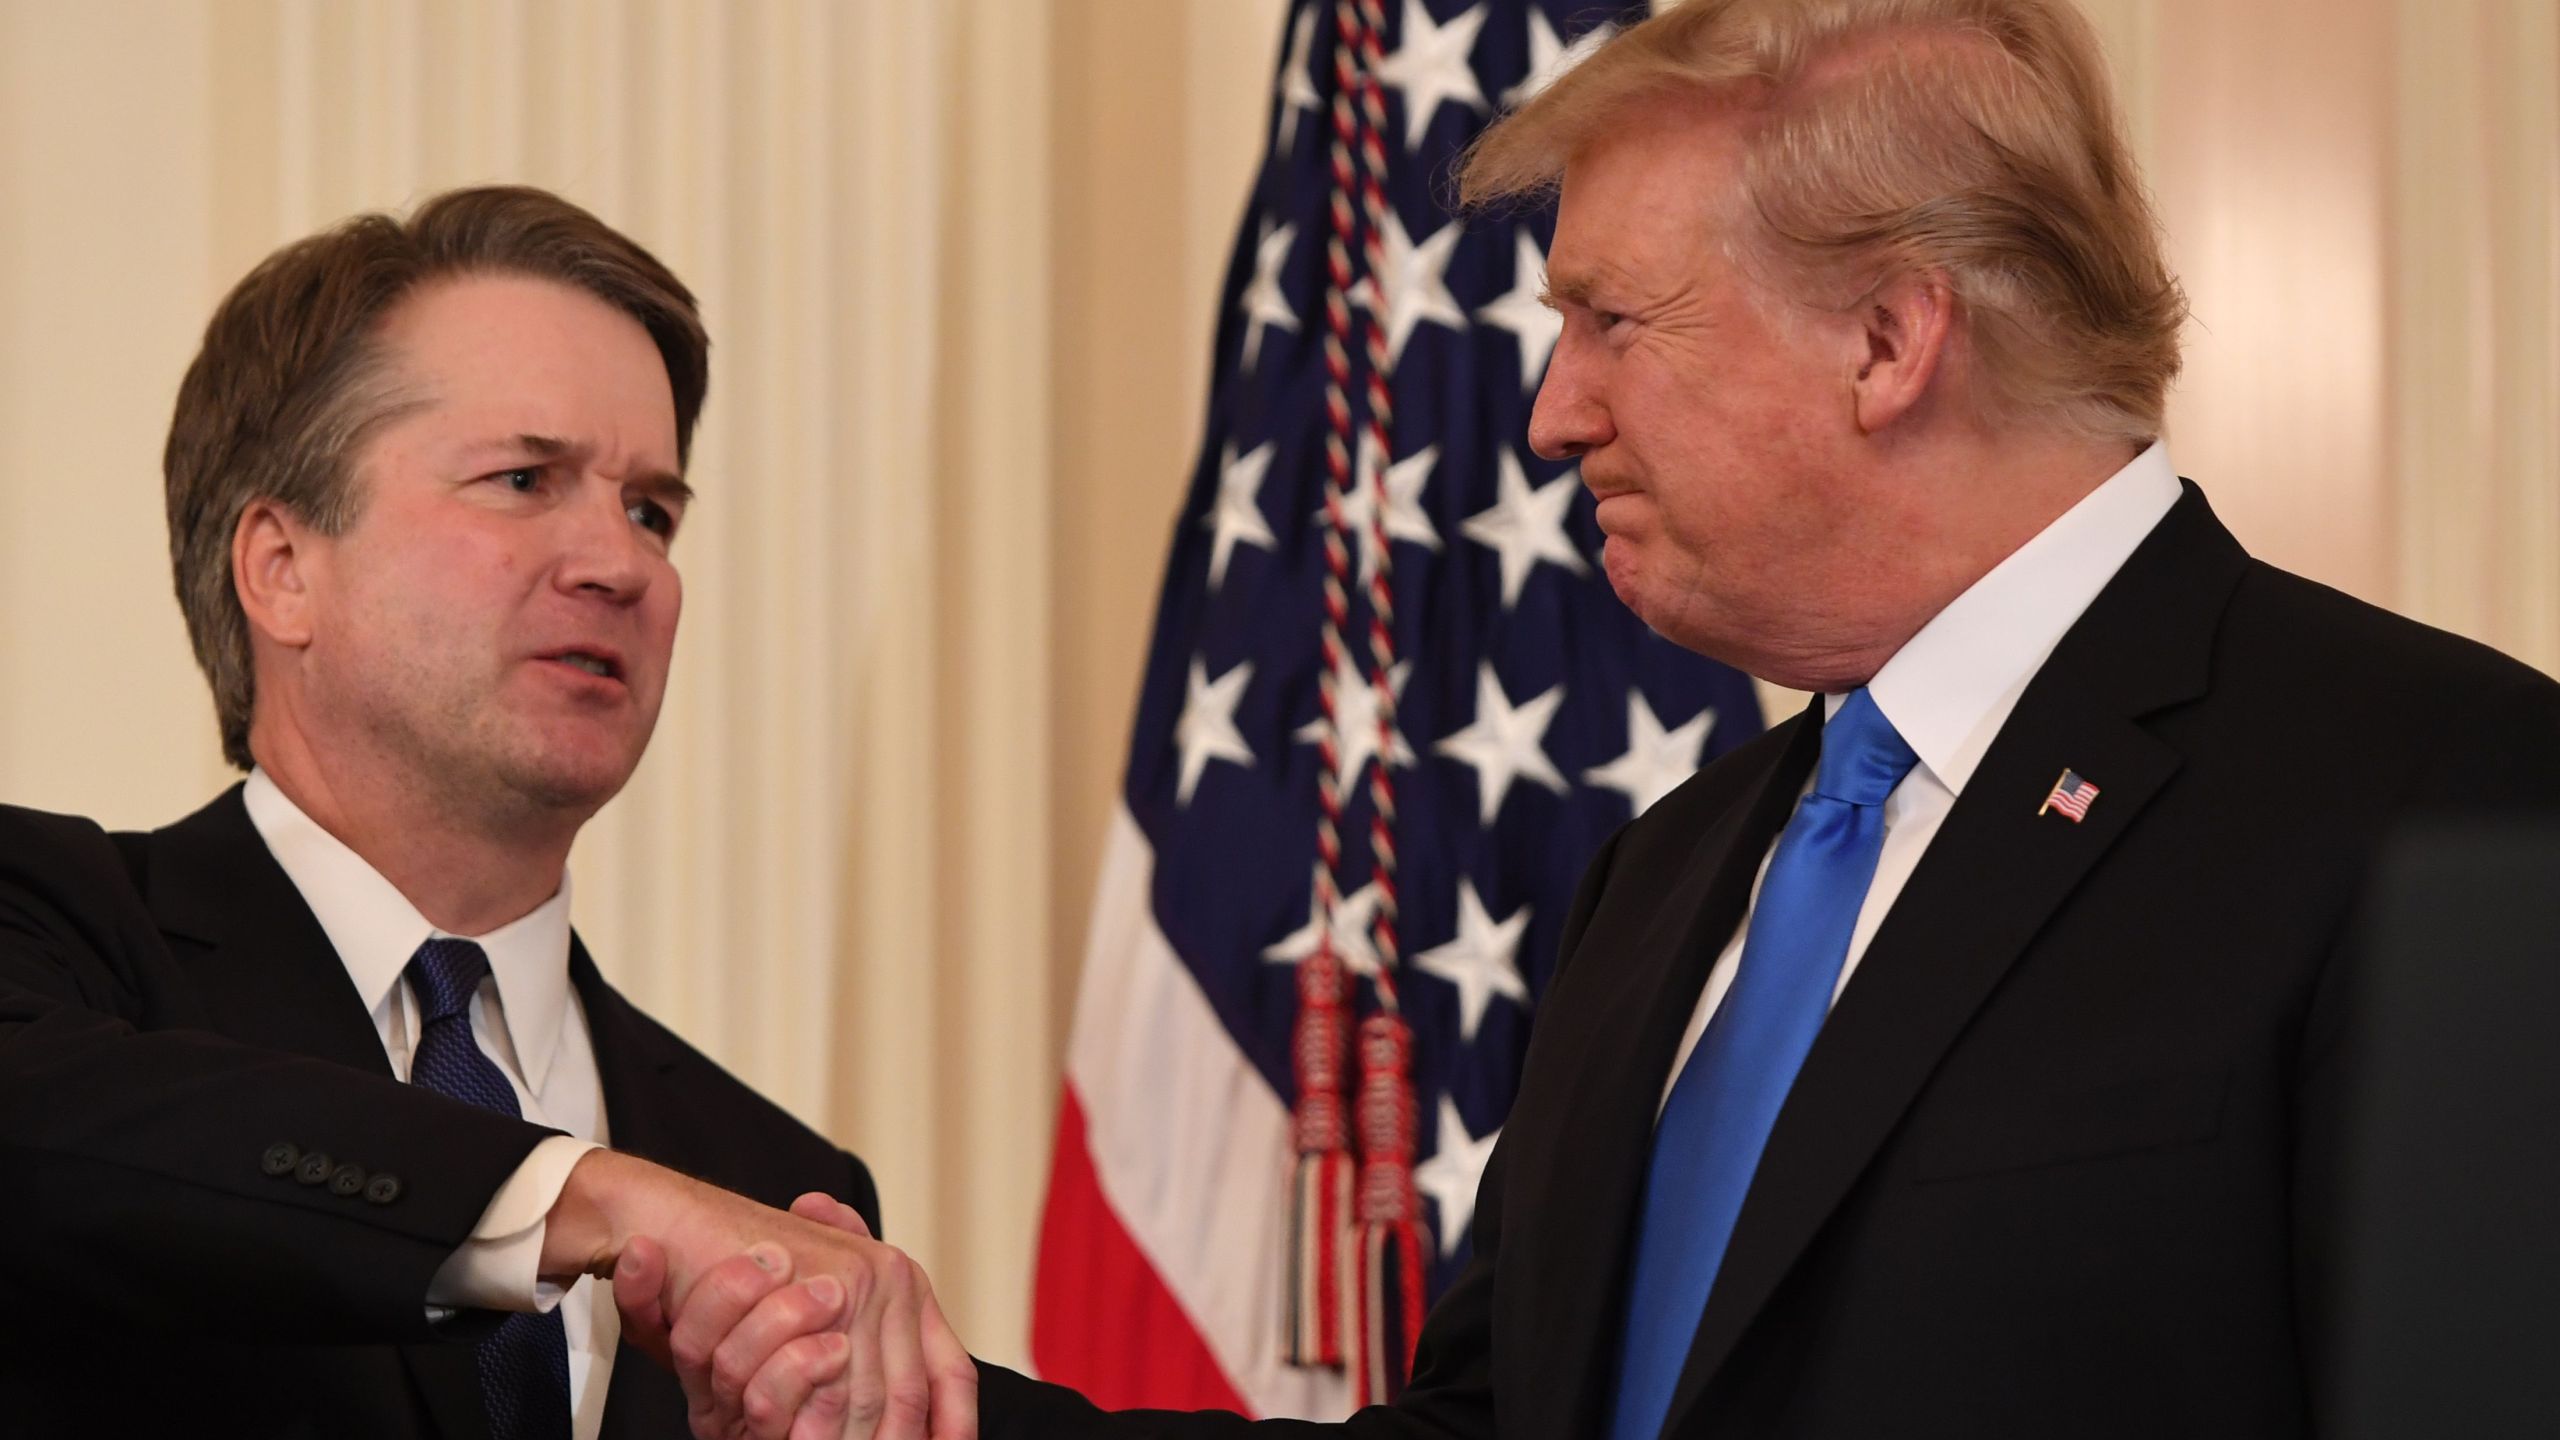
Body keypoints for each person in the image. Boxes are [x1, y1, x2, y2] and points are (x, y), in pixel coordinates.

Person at [662, 1, 2560, 1436]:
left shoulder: (2440, 805)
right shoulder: (1671, 873)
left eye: (1611, 320)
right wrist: (936, 1413)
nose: (1554, 411)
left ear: (1891, 340)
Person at [0, 187, 975, 1439]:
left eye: (652, 510)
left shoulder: (778, 1184)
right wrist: (591, 1200)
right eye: (523, 479)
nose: (621, 564)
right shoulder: (53, 944)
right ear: (282, 569)